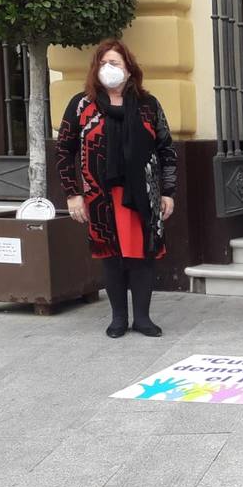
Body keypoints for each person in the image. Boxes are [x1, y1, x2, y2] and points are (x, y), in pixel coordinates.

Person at [56, 40, 177, 339]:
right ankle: (119, 318)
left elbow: (166, 149)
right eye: (104, 63)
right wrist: (73, 194)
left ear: (129, 69)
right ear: (96, 69)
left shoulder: (148, 105)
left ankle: (144, 319)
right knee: (110, 256)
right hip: (100, 197)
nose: (110, 69)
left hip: (142, 196)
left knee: (141, 256)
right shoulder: (81, 105)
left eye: (117, 64)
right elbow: (63, 151)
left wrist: (167, 191)